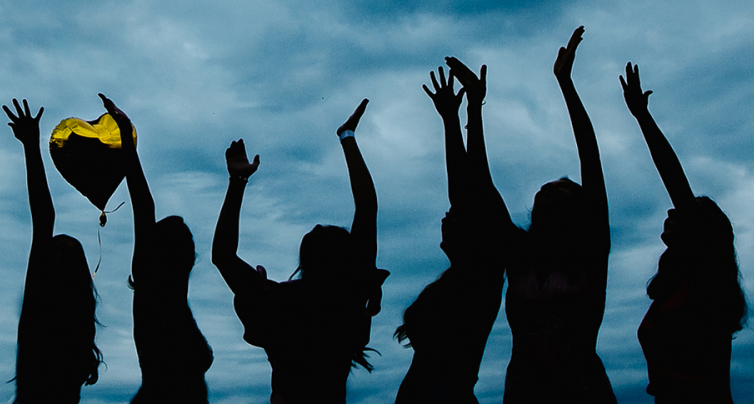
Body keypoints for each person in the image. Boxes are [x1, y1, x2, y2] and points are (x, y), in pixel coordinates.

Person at [449, 26, 616, 403]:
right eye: (546, 186)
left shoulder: (589, 254)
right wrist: (474, 108)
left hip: (582, 391)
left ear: (578, 211)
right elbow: (481, 188)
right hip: (524, 390)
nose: (546, 188)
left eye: (560, 188)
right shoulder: (519, 254)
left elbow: (591, 158)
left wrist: (566, 84)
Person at [212, 100, 390, 404]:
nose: (318, 224)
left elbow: (223, 256)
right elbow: (367, 207)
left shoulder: (278, 302)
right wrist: (347, 137)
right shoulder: (348, 299)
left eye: (323, 233)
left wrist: (237, 182)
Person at [619, 63, 747, 403]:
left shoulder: (708, 285)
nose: (672, 210)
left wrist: (643, 118)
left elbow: (675, 180)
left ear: (702, 236)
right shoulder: (679, 290)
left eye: (687, 213)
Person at [393, 66, 507, 404]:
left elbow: (469, 189)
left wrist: (470, 110)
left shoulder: (480, 277)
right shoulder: (457, 280)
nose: (447, 215)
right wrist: (450, 119)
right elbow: (463, 193)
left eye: (456, 215)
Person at [98, 94, 213, 403]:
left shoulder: (173, 297)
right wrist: (123, 134)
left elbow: (146, 207)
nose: (190, 242)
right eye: (184, 238)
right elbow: (143, 204)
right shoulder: (152, 290)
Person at [3, 98, 103, 403]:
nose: (60, 255)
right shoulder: (39, 300)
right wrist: (31, 146)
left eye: (69, 252)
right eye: (56, 250)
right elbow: (44, 217)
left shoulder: (78, 327)